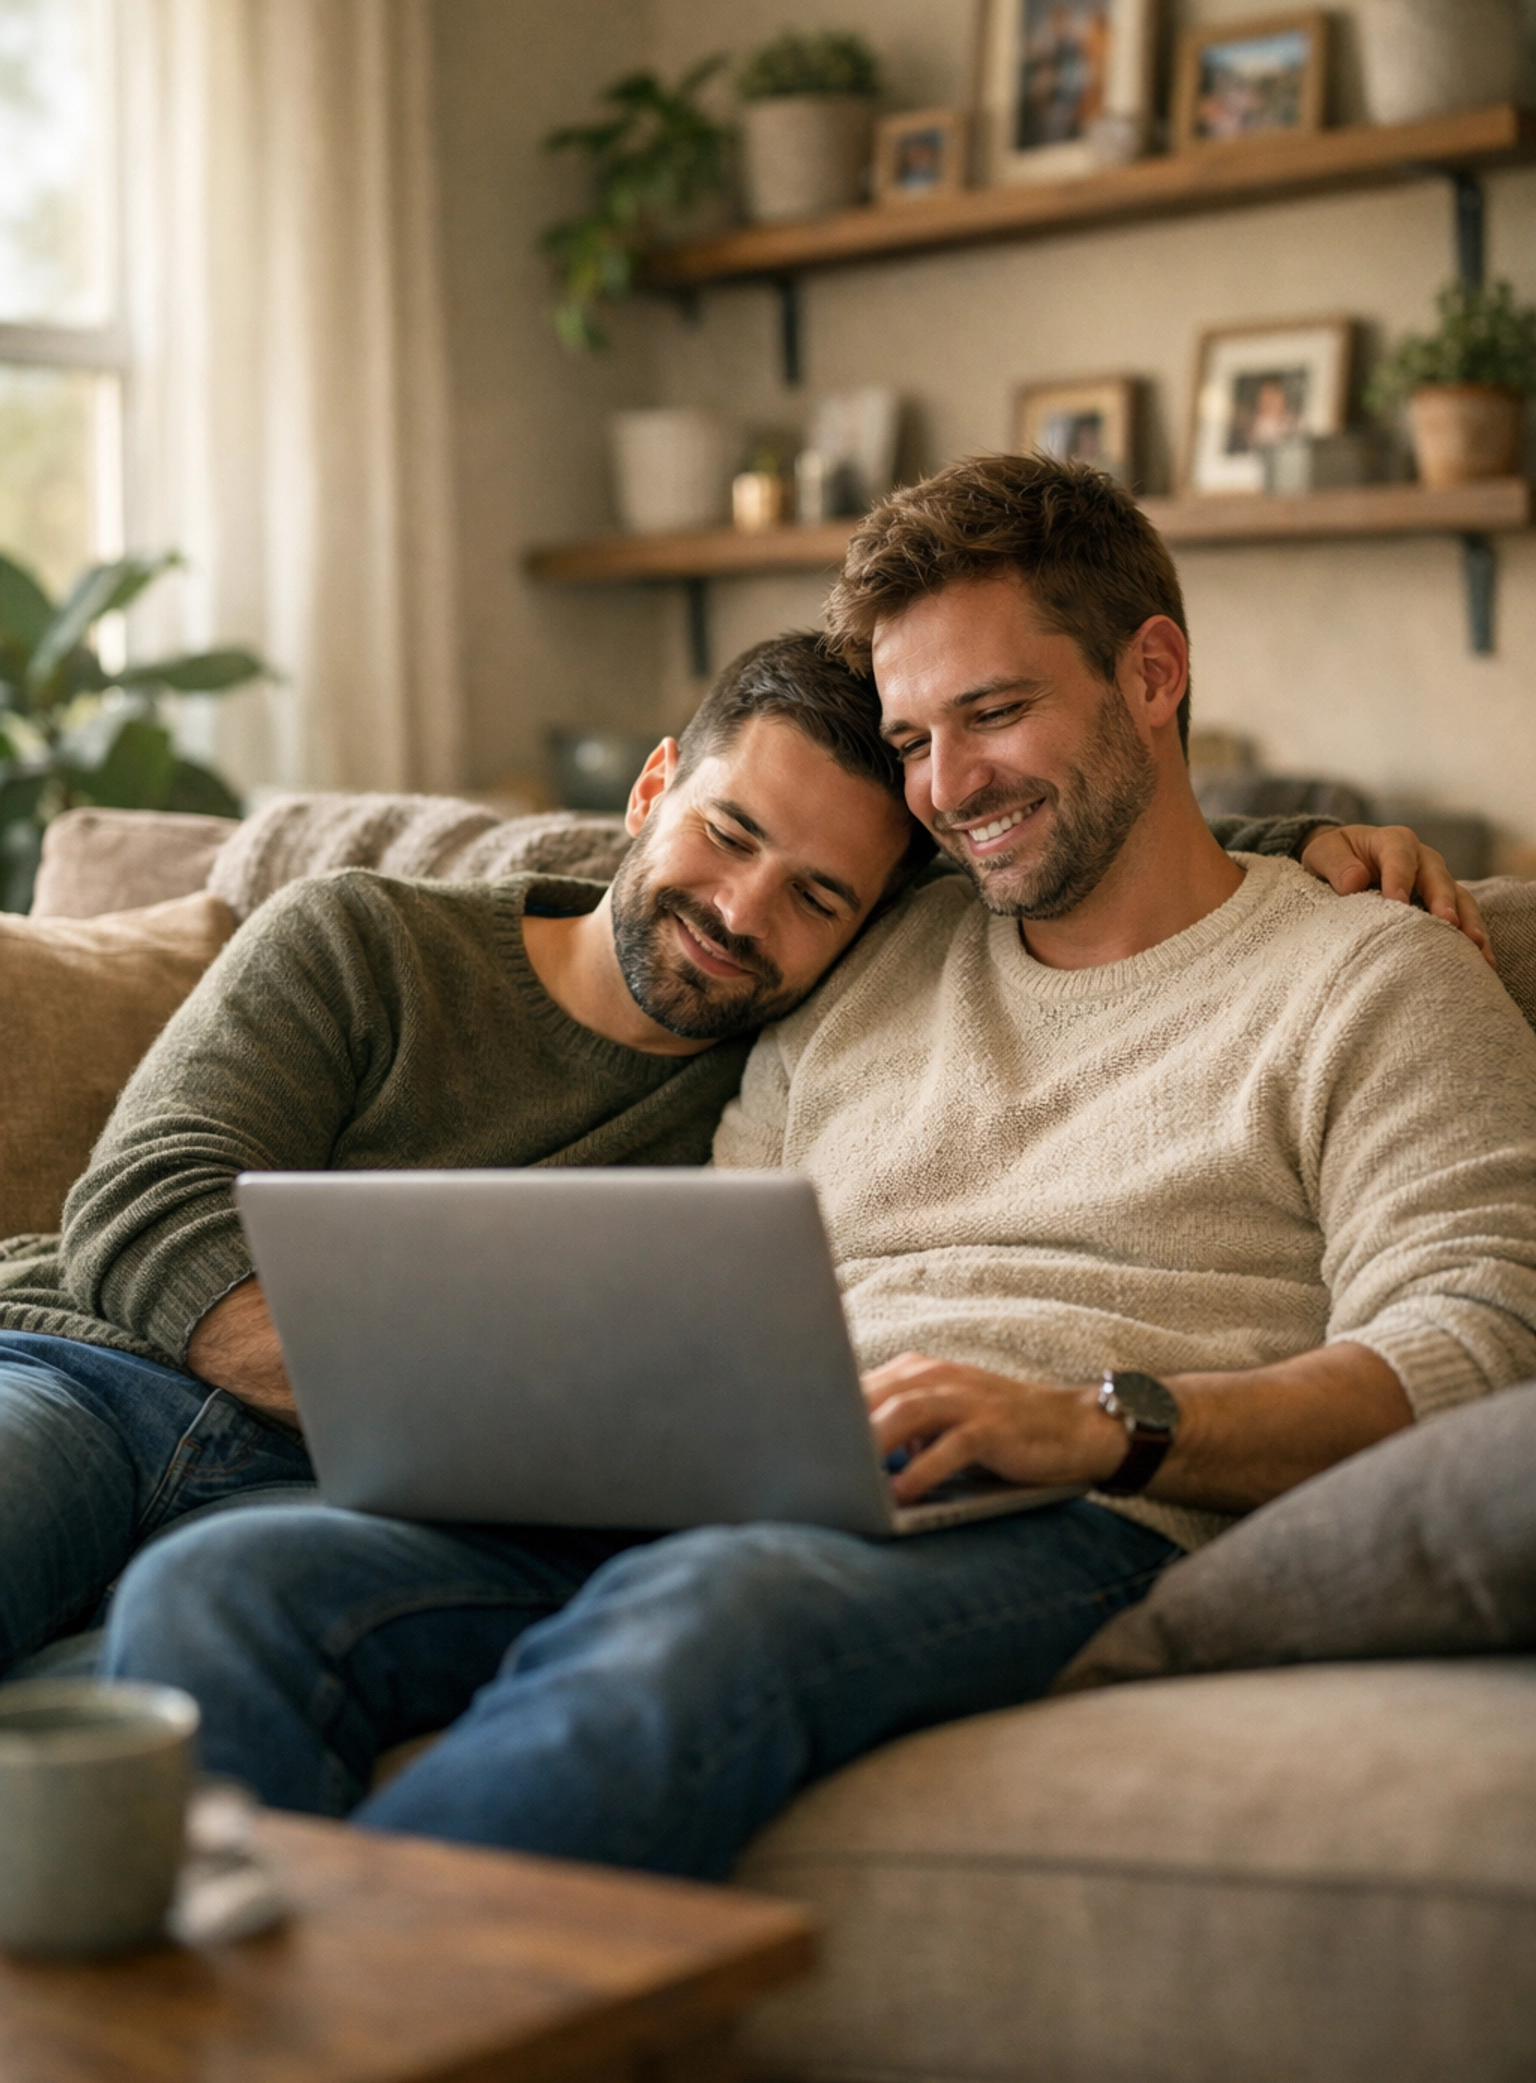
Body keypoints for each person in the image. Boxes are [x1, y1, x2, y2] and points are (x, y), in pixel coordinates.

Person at [99, 456, 1536, 1881]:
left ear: (1153, 673)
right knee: (223, 1585)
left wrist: (1107, 1424)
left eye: (996, 714)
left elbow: (1478, 1348)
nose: (950, 788)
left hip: (1060, 1515)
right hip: (748, 1480)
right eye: (914, 739)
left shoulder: (1375, 979)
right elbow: (715, 1258)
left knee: (710, 1614)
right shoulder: (871, 948)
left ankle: (334, 2068)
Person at [2, 624, 1416, 1679]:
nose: (741, 914)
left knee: (231, 1606)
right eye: (727, 834)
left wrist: (1304, 846)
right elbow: (141, 1207)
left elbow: (1081, 855)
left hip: (344, 1504)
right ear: (652, 787)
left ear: (871, 924)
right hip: (88, 1374)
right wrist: (421, 1403)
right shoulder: (363, 937)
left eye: (814, 896)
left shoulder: (799, 1054)